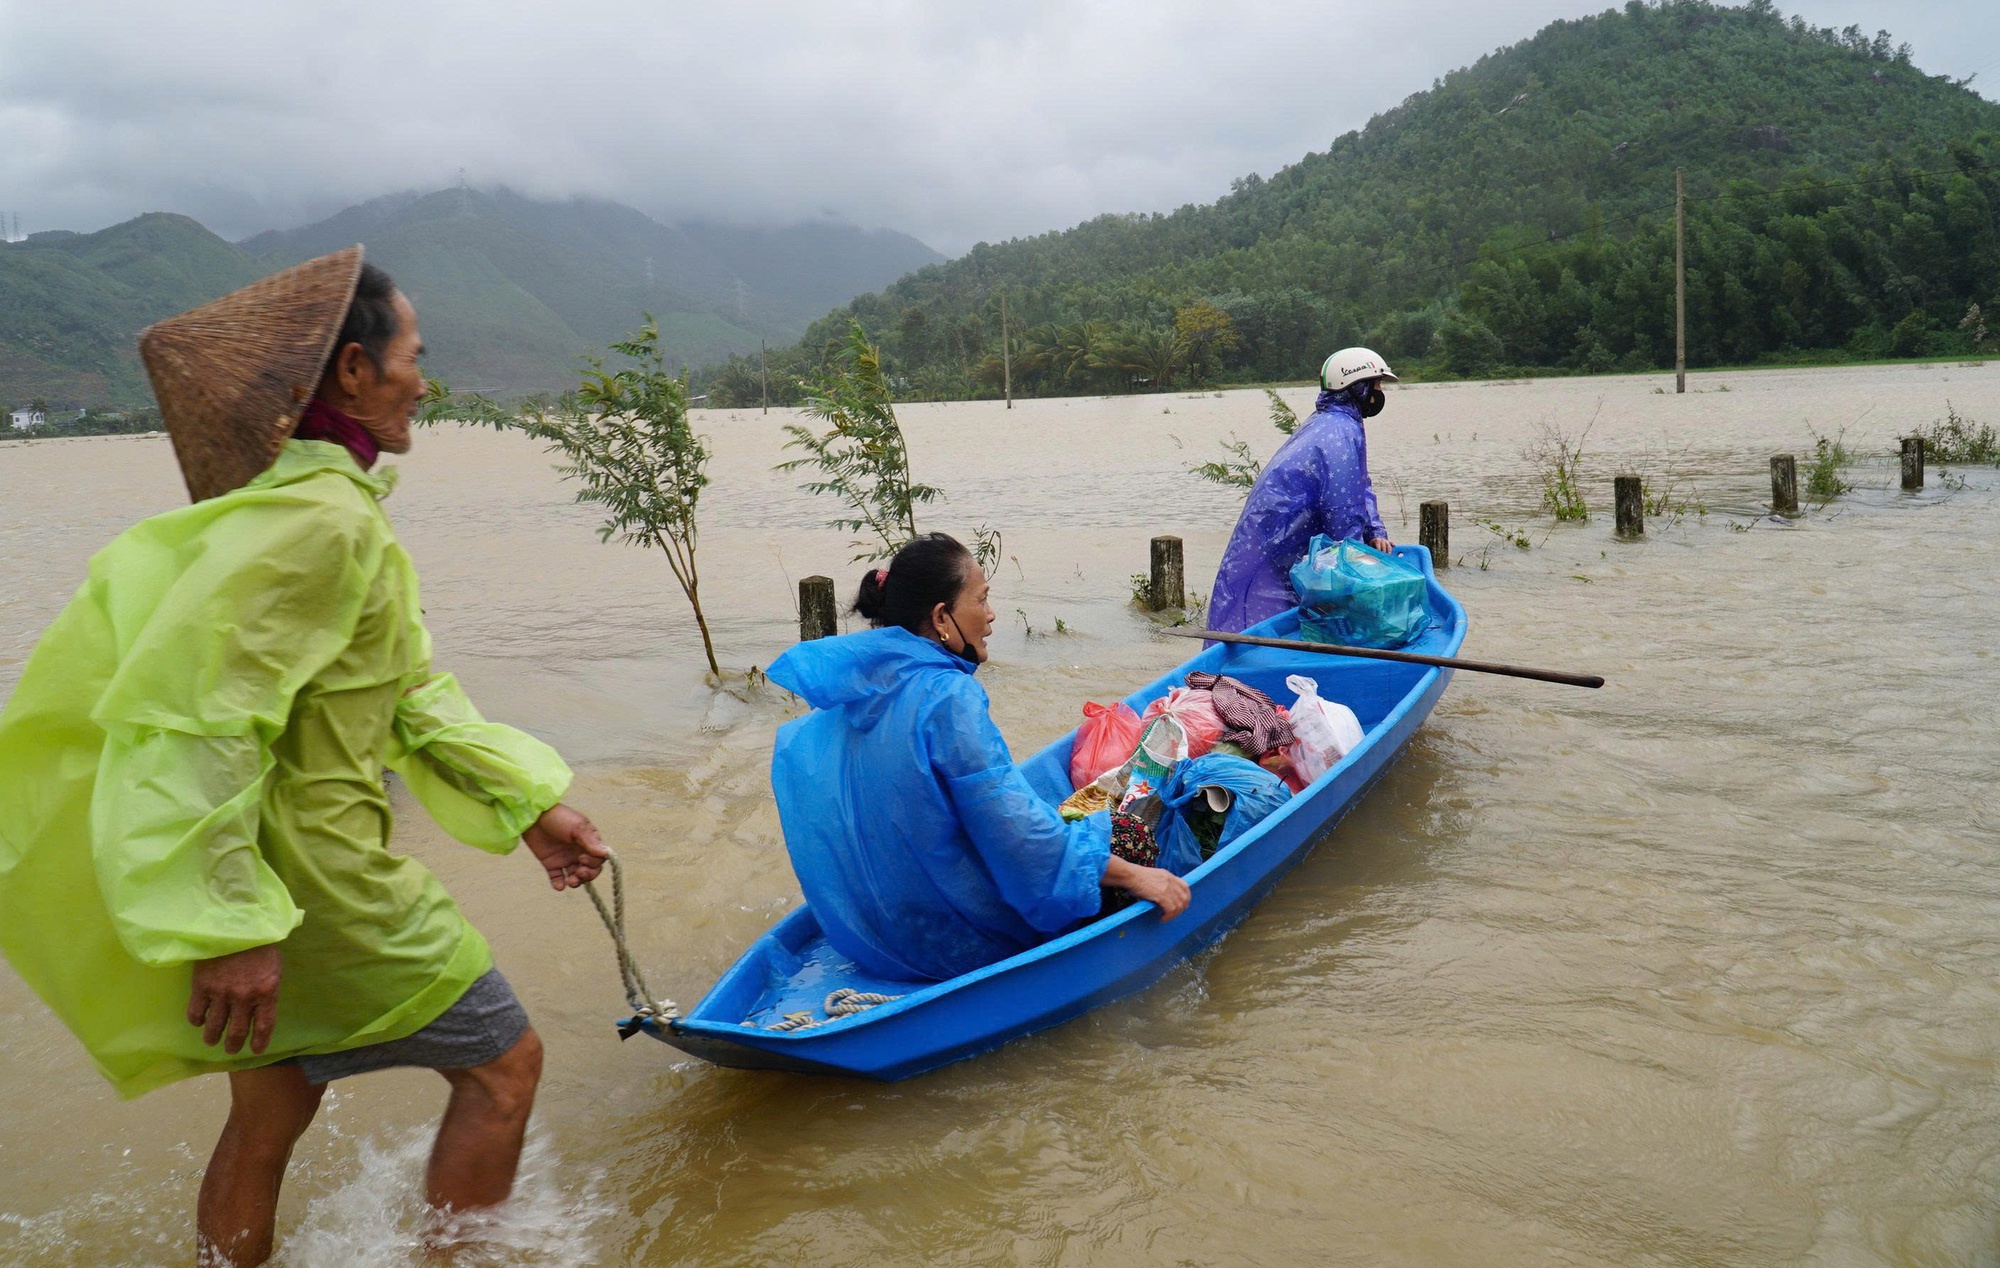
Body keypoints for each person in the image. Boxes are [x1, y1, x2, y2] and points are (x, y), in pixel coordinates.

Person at [0, 248, 610, 1268]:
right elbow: (200, 715)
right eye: (413, 354)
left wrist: (523, 805)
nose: (425, 376)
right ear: (354, 373)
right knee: (506, 1065)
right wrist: (226, 922)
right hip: (320, 880)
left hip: (275, 872)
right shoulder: (320, 524)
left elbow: (402, 693)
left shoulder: (301, 509)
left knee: (270, 1110)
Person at [765, 533, 1191, 982]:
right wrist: (1135, 877)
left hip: (871, 936)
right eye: (982, 600)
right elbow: (1020, 839)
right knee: (1126, 836)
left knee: (1071, 821)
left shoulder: (854, 688)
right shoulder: (948, 696)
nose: (990, 616)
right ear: (941, 617)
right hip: (955, 941)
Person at [1208, 347, 1399, 634]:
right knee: (1261, 615)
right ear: (1357, 387)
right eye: (1376, 384)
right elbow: (1341, 509)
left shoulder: (1338, 423)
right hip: (1277, 538)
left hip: (1283, 537)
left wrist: (1374, 530)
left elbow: (1359, 484)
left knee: (1267, 610)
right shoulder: (1337, 432)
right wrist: (1358, 558)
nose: (1379, 392)